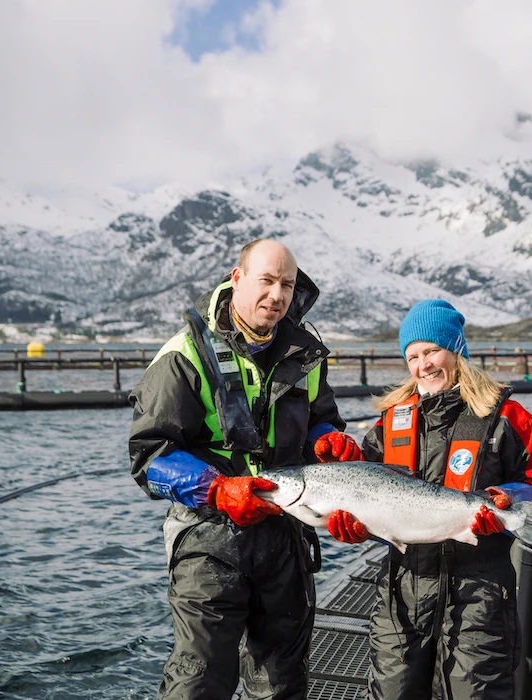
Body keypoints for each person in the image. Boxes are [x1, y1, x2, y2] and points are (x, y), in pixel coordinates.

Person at [128, 239, 362, 700]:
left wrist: (327, 441)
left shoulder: (306, 354)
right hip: (207, 538)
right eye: (267, 281)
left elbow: (322, 421)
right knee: (199, 681)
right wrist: (216, 490)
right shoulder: (183, 355)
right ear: (237, 279)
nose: (277, 295)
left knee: (281, 684)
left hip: (287, 535)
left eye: (288, 285)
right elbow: (150, 457)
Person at [324, 299, 532, 700]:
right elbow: (364, 487)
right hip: (401, 595)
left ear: (456, 350)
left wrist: (508, 499)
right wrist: (355, 526)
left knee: (474, 692)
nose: (424, 365)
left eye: (432, 351)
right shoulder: (389, 423)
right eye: (413, 356)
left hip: (480, 596)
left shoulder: (506, 417)